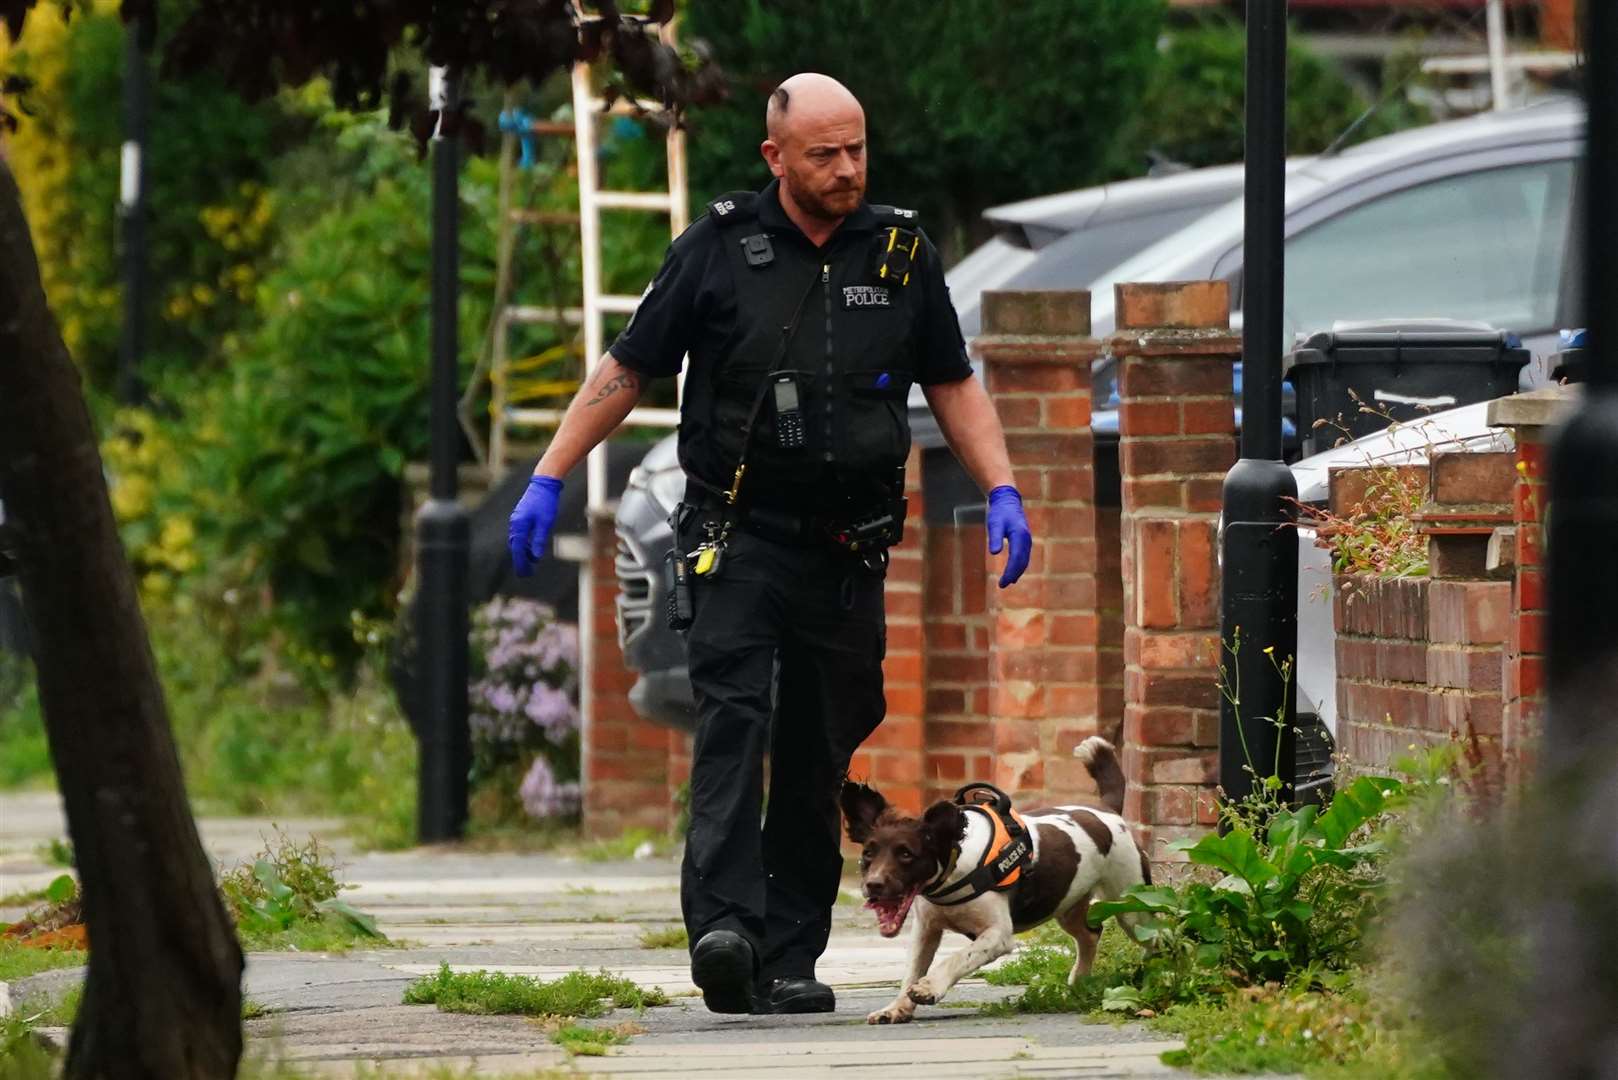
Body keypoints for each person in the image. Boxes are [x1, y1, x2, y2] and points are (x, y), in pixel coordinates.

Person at [508, 72, 1033, 1016]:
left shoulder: (901, 253)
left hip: (850, 548)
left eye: (857, 149)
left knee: (816, 752)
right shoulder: (716, 250)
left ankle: (790, 955)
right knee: (731, 725)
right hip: (737, 538)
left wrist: (1002, 487)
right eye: (825, 153)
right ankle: (724, 932)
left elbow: (952, 383)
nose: (846, 169)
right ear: (775, 156)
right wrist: (549, 474)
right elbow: (628, 368)